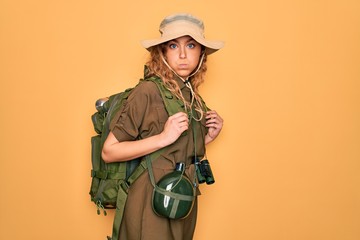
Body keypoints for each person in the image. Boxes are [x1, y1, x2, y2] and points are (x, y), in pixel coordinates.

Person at [102, 13, 224, 240]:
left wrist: (208, 137)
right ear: (163, 52)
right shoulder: (147, 91)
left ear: (201, 53)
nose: (183, 54)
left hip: (182, 198)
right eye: (173, 45)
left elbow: (177, 149)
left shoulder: (190, 95)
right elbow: (109, 151)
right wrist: (163, 137)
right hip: (150, 199)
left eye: (191, 45)